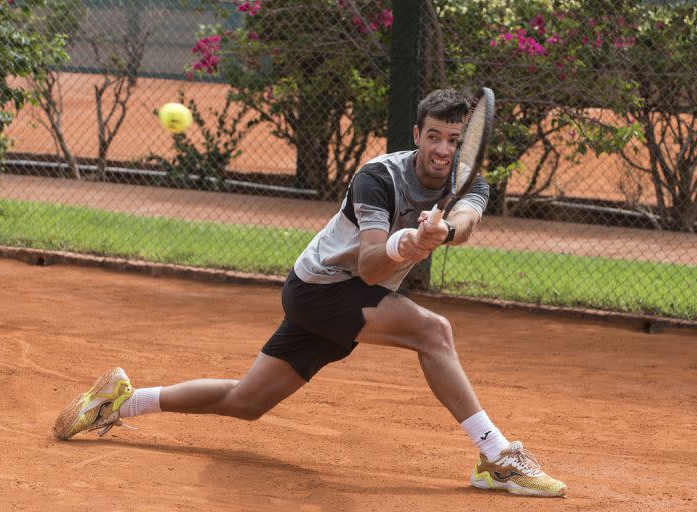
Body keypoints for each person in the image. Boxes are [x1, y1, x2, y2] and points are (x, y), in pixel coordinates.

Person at [52, 89, 566, 498]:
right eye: (434, 136)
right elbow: (367, 267)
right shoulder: (378, 177)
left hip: (345, 299)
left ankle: (122, 401)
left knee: (245, 401)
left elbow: (468, 218)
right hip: (321, 289)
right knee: (434, 332)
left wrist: (446, 232)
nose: (443, 149)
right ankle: (496, 458)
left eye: (454, 140)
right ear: (417, 134)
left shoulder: (466, 179)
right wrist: (408, 241)